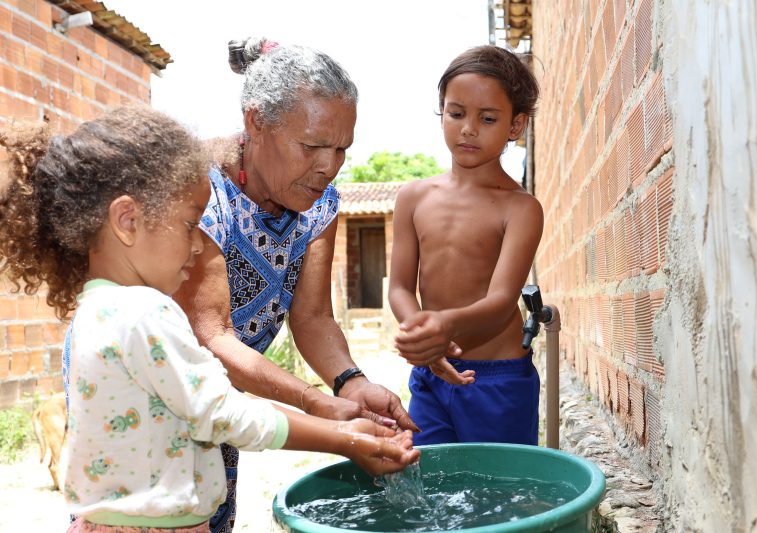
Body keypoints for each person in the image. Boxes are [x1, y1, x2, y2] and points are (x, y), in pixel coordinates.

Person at [0, 106, 419, 533]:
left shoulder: (97, 309)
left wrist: (331, 406)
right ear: (128, 221)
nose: (200, 245)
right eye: (189, 226)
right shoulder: (146, 314)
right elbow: (222, 412)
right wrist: (343, 439)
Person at [170, 38, 418, 532]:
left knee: (212, 516)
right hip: (161, 394)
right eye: (312, 146)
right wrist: (315, 404)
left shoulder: (317, 204)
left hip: (229, 401)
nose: (329, 166)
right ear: (255, 121)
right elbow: (211, 338)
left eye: (342, 148)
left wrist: (353, 383)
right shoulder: (196, 192)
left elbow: (313, 317)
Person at [388, 45, 544, 446]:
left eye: (487, 118)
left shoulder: (520, 208)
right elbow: (401, 287)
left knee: (502, 494)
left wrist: (444, 326)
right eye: (456, 113)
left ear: (515, 125)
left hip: (497, 380)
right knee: (431, 485)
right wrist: (421, 334)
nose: (468, 128)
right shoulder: (413, 197)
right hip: (431, 374)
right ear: (442, 112)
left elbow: (500, 301)